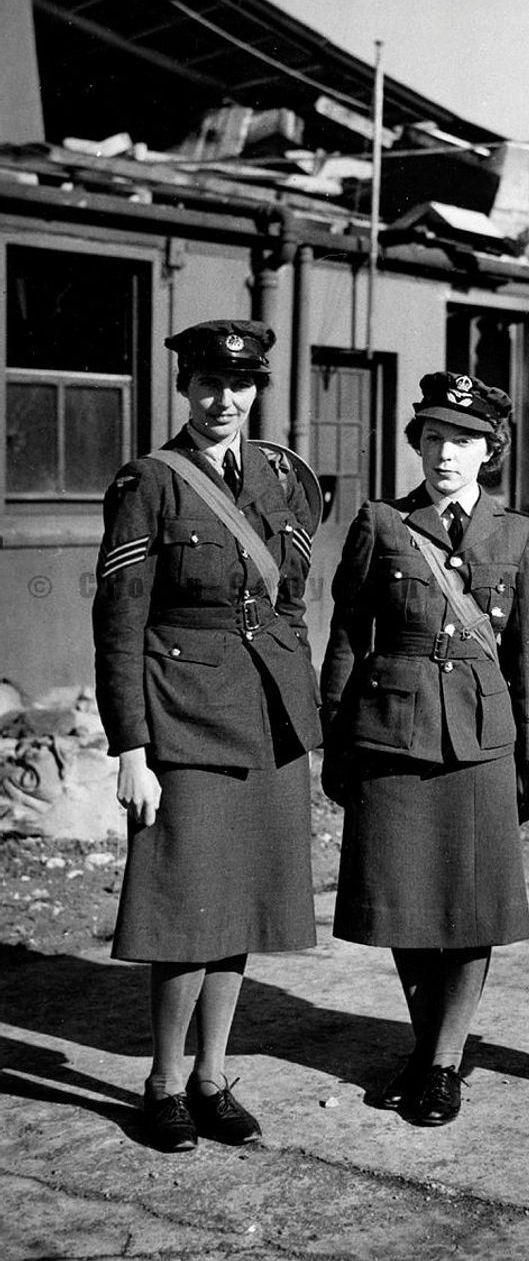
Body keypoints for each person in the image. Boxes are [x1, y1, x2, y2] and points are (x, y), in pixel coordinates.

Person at [92, 319, 322, 1152]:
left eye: (240, 385)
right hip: (184, 718)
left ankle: (211, 1075)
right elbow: (119, 624)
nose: (223, 400)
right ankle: (160, 1081)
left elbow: (290, 597)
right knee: (183, 909)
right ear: (183, 388)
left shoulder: (283, 477)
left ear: (258, 388)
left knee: (244, 907)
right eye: (206, 385)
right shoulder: (148, 481)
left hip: (264, 715)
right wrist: (130, 746)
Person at [320, 371, 529, 1126]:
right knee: (405, 901)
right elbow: (348, 636)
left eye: (465, 440)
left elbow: (525, 655)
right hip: (393, 733)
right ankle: (432, 1050)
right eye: (435, 437)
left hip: (482, 739)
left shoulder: (518, 534)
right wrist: (337, 738)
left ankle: (442, 1064)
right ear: (416, 443)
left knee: (473, 909)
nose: (447, 452)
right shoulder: (382, 523)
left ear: (490, 451)